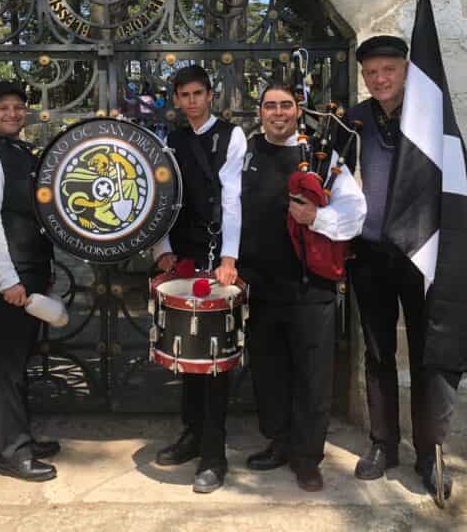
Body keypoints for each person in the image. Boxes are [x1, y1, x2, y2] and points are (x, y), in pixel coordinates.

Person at [346, 35, 467, 499]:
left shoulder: (431, 118)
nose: (379, 79)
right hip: (370, 254)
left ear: (405, 70)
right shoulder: (353, 119)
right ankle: (383, 444)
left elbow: (463, 177)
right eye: (371, 72)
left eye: (388, 70)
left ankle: (429, 452)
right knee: (378, 353)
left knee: (426, 354)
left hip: (422, 255)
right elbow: (332, 179)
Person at [238, 83, 366, 492]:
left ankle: (307, 458)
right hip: (261, 283)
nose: (278, 113)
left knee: (313, 375)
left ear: (297, 111)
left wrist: (316, 218)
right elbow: (227, 208)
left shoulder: (321, 157)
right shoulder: (246, 155)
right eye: (270, 106)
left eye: (286, 106)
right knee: (270, 371)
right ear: (259, 112)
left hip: (311, 288)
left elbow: (354, 211)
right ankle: (279, 443)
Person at [151, 65, 246, 494]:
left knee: (213, 361)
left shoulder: (232, 136)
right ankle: (191, 437)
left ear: (210, 95)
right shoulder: (168, 140)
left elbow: (232, 198)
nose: (191, 101)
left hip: (217, 256)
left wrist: (229, 256)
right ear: (176, 99)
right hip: (184, 255)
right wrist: (162, 251)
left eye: (197, 94)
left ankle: (214, 455)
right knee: (186, 355)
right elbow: (161, 199)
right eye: (183, 95)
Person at [0, 81, 60, 482]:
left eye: (18, 107)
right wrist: (6, 280)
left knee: (19, 361)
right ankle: (11, 452)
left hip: (29, 270)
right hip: (12, 276)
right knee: (6, 364)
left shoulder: (19, 152)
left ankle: (21, 438)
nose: (13, 114)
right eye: (3, 107)